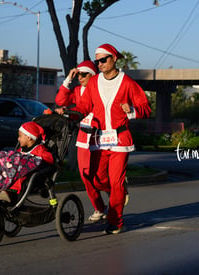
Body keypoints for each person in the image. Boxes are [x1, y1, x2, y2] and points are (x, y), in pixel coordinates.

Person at [75, 43, 151, 234]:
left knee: (115, 182)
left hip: (120, 139)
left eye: (103, 59)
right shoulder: (93, 82)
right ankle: (120, 191)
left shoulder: (127, 83)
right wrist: (67, 113)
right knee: (95, 179)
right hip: (98, 139)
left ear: (114, 59)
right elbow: (83, 107)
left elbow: (146, 108)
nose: (99, 63)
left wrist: (133, 110)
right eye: (97, 61)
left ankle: (115, 221)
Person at [55, 60, 109, 221]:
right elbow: (60, 101)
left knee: (100, 176)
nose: (80, 77)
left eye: (84, 74)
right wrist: (67, 79)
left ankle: (116, 193)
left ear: (93, 75)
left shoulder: (101, 89)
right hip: (84, 136)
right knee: (86, 175)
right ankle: (100, 208)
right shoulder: (78, 90)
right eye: (78, 74)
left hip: (100, 135)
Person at [0, 121, 54, 202]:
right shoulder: (21, 150)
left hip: (32, 177)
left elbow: (49, 160)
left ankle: (12, 193)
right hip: (14, 173)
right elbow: (9, 160)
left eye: (20, 136)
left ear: (29, 137)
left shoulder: (40, 150)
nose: (18, 138)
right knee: (3, 168)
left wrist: (34, 162)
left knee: (21, 173)